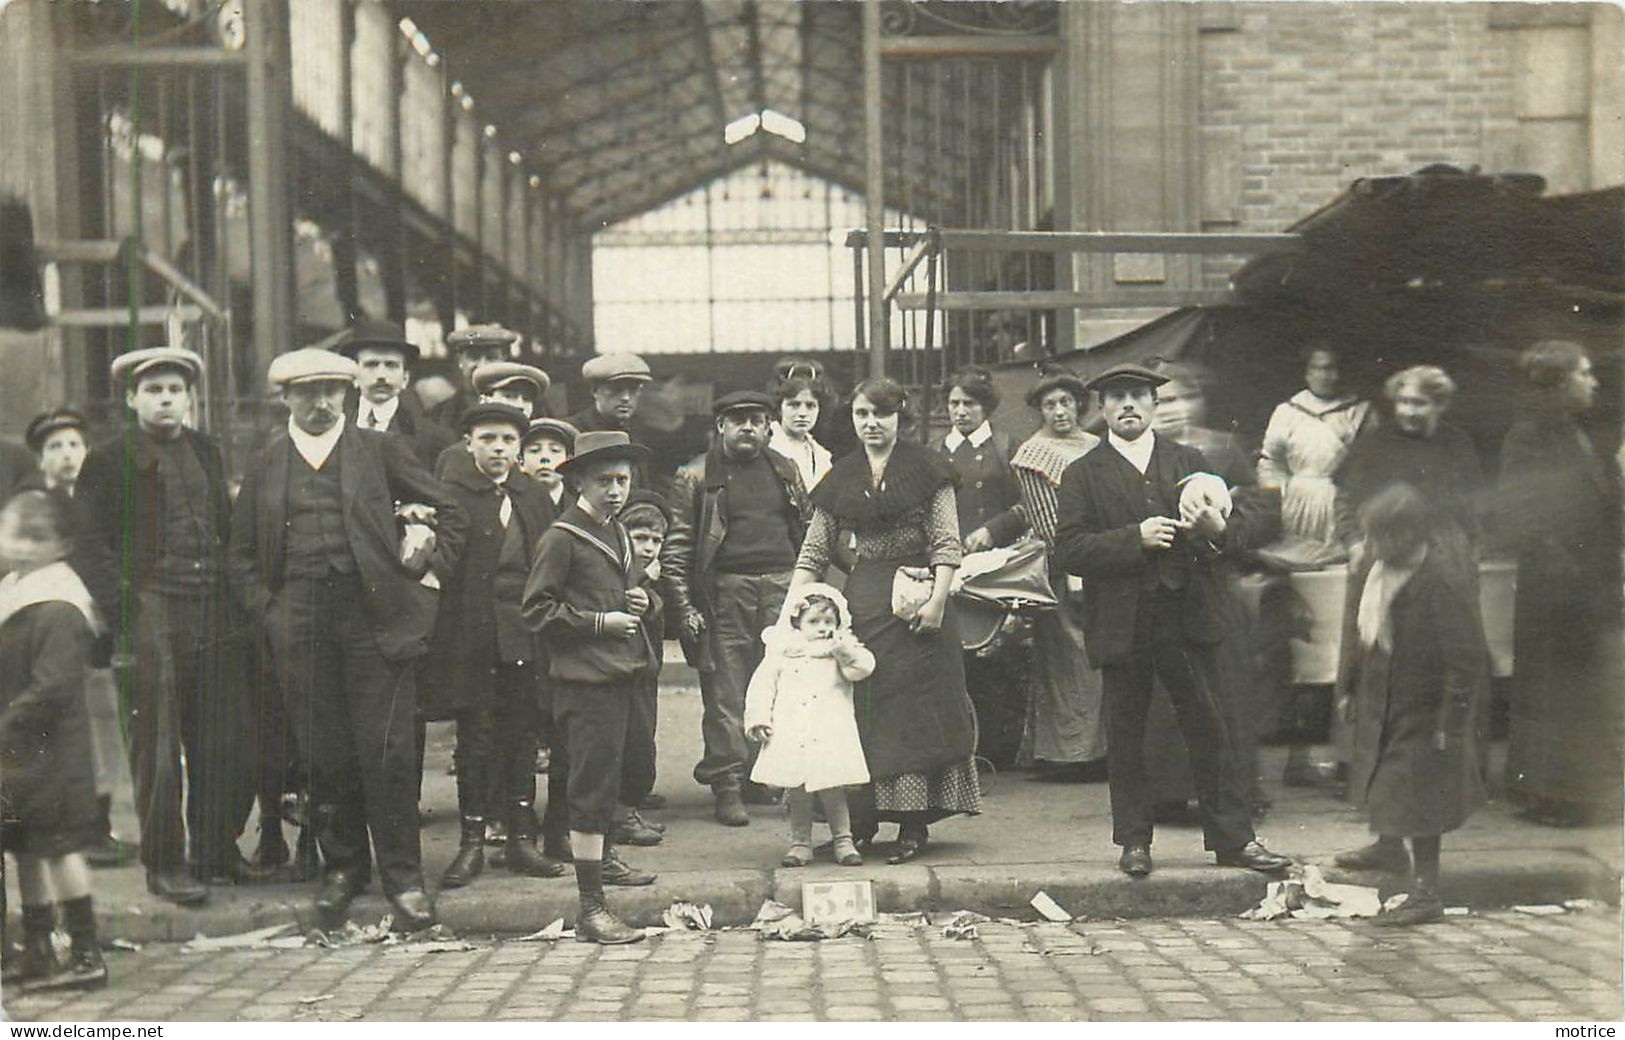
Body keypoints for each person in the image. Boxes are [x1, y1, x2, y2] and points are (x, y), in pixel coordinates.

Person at [228, 348, 467, 930]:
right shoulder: (266, 463)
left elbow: (452, 509)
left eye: (331, 390)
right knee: (324, 753)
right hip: (301, 623)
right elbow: (237, 554)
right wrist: (272, 612)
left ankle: (404, 880)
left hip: (375, 618)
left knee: (387, 751)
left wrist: (429, 570)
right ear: (284, 398)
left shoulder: (378, 449)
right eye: (306, 392)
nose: (320, 402)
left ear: (346, 393)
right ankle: (344, 871)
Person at [1053, 363, 1290, 878]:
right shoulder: (1083, 473)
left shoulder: (1191, 461)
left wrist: (1216, 528)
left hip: (1189, 617)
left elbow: (1239, 531)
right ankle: (1134, 841)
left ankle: (1234, 840)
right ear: (1102, 409)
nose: (1128, 406)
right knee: (1128, 732)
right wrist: (1131, 539)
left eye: (1138, 395)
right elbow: (1068, 550)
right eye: (1116, 398)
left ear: (1155, 404)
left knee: (1211, 726)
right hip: (1123, 621)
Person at [75, 347, 257, 904]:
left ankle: (215, 850)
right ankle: (165, 864)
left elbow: (225, 531)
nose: (166, 400)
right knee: (155, 745)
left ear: (190, 397)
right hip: (151, 611)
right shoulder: (107, 460)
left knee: (222, 737)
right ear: (132, 398)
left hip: (212, 612)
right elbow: (89, 544)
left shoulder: (207, 450)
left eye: (175, 390)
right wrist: (125, 608)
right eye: (154, 390)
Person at [790, 377, 980, 864]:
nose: (871, 424)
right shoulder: (843, 474)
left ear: (901, 417)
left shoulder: (929, 469)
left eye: (881, 415)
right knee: (862, 711)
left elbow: (945, 542)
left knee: (916, 712)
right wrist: (791, 613)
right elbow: (814, 550)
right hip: (865, 600)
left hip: (920, 601)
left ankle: (914, 826)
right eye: (861, 416)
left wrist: (937, 602)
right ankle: (863, 823)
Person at [522, 430, 660, 945]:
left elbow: (633, 595)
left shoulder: (619, 533)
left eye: (623, 480)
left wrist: (645, 601)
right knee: (589, 791)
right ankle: (591, 906)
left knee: (629, 777)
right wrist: (600, 623)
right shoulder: (561, 537)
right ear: (577, 479)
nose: (616, 490)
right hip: (586, 683)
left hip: (626, 674)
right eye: (604, 480)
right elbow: (536, 610)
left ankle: (602, 865)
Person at [425, 403, 567, 888]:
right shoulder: (452, 495)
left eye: (509, 441)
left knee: (522, 736)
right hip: (471, 636)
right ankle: (470, 844)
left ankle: (522, 842)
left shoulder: (534, 498)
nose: (500, 449)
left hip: (525, 634)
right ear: (469, 443)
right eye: (488, 439)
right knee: (476, 739)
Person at [1335, 484, 1488, 926]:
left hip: (1426, 702)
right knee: (1383, 774)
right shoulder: (1376, 567)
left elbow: (1465, 657)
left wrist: (1452, 719)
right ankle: (1388, 847)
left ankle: (1427, 891)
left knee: (1418, 793)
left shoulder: (1439, 580)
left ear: (1411, 536)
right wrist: (1349, 685)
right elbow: (1358, 631)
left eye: (1385, 538)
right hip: (1383, 687)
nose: (1375, 548)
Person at [664, 390, 811, 826]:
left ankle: (760, 775)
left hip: (782, 588)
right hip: (726, 592)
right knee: (726, 692)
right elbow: (677, 549)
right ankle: (727, 783)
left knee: (778, 687)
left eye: (757, 420)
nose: (748, 427)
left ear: (770, 428)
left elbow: (806, 533)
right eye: (737, 419)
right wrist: (686, 607)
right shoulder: (695, 476)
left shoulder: (786, 470)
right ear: (720, 427)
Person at [1499, 341, 1623, 826]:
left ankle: (1572, 792)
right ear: (1558, 383)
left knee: (1577, 692)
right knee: (1553, 691)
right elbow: (1521, 517)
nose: (1593, 382)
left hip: (1582, 586)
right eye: (1585, 373)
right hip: (1555, 591)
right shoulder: (1528, 438)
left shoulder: (1573, 432)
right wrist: (1571, 576)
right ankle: (1552, 796)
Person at [0, 492, 109, 991]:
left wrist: (11, 719)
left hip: (53, 749)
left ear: (61, 545)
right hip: (21, 751)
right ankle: (39, 947)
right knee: (25, 847)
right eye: (13, 533)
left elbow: (53, 685)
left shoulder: (60, 603)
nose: (21, 546)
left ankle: (86, 953)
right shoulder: (13, 592)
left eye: (35, 537)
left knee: (61, 848)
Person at [21, 409, 138, 869]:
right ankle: (74, 829)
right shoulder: (36, 507)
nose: (67, 455)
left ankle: (100, 824)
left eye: (74, 445)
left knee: (103, 727)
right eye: (55, 447)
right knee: (63, 726)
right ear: (40, 459)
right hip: (54, 631)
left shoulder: (100, 499)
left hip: (99, 630)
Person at [1010, 366, 1108, 775]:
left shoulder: (1096, 444)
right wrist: (1077, 571)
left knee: (1103, 653)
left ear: (1079, 405)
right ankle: (1072, 755)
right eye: (1049, 405)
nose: (1059, 411)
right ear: (1040, 411)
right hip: (1066, 566)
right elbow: (1049, 524)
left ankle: (1105, 748)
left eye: (1066, 402)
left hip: (1106, 556)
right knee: (1072, 656)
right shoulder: (1032, 455)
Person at [744, 583, 874, 868]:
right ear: (797, 624)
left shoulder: (839, 652)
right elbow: (762, 686)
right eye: (813, 622)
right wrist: (758, 718)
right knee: (797, 789)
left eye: (829, 621)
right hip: (793, 731)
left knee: (832, 787)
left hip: (829, 732)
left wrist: (843, 650)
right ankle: (800, 843)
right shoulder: (783, 653)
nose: (822, 628)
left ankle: (844, 840)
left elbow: (862, 669)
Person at [1333, 365, 1483, 557]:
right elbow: (1344, 500)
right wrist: (1353, 544)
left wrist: (1471, 549)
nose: (1409, 412)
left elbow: (1473, 506)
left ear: (1440, 405)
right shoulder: (1375, 442)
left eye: (1419, 403)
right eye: (1403, 402)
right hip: (1387, 552)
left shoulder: (1457, 443)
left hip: (1444, 553)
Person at [519, 417, 579, 862]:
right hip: (524, 634)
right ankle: (519, 828)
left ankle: (560, 826)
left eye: (553, 450)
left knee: (566, 737)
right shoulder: (515, 503)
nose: (544, 458)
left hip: (570, 634)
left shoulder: (579, 507)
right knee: (520, 732)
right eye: (535, 449)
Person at [1257, 342, 1371, 564]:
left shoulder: (1359, 411)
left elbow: (1371, 464)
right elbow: (1271, 462)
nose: (1331, 376)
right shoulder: (1288, 412)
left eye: (1335, 369)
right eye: (1322, 368)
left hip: (1343, 504)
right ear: (1308, 372)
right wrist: (1276, 499)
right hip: (1297, 503)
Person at [612, 491, 671, 847]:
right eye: (640, 538)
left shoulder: (651, 574)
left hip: (644, 668)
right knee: (628, 742)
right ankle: (620, 816)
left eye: (656, 540)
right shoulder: (619, 569)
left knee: (642, 739)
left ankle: (629, 808)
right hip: (620, 668)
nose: (649, 547)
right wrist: (639, 577)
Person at [339, 319, 458, 469]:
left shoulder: (434, 438)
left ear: (405, 379)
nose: (381, 375)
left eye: (391, 365)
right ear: (355, 377)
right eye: (371, 364)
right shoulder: (336, 428)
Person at [935, 366, 1028, 552]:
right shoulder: (935, 450)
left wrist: (993, 530)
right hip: (947, 556)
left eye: (969, 404)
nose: (961, 411)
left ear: (985, 407)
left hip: (1001, 553)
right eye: (954, 403)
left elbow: (1030, 502)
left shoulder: (1007, 447)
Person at [428, 324, 518, 429]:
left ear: (504, 361)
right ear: (460, 361)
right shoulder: (438, 415)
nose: (482, 365)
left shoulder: (522, 407)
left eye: (491, 357)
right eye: (473, 357)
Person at [767, 358, 835, 492]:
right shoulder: (767, 446)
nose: (802, 413)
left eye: (810, 405)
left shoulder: (822, 455)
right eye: (794, 405)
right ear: (779, 407)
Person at [565, 353, 653, 436]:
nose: (626, 397)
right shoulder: (570, 431)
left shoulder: (646, 434)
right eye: (616, 389)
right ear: (595, 391)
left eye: (633, 389)